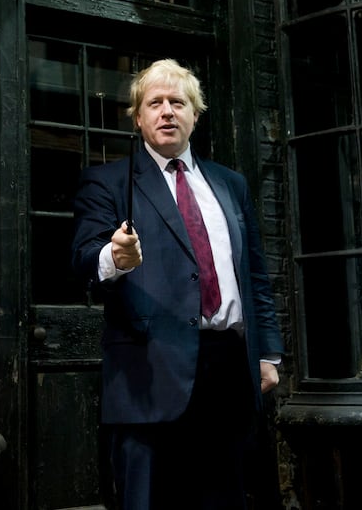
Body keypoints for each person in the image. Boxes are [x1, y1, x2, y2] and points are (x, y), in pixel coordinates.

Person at [71, 58, 285, 510]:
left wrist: (266, 353)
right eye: (155, 103)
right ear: (138, 116)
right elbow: (84, 260)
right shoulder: (107, 182)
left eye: (178, 102)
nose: (167, 111)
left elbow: (255, 275)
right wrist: (115, 257)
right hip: (149, 374)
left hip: (228, 369)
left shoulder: (230, 184)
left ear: (195, 114)